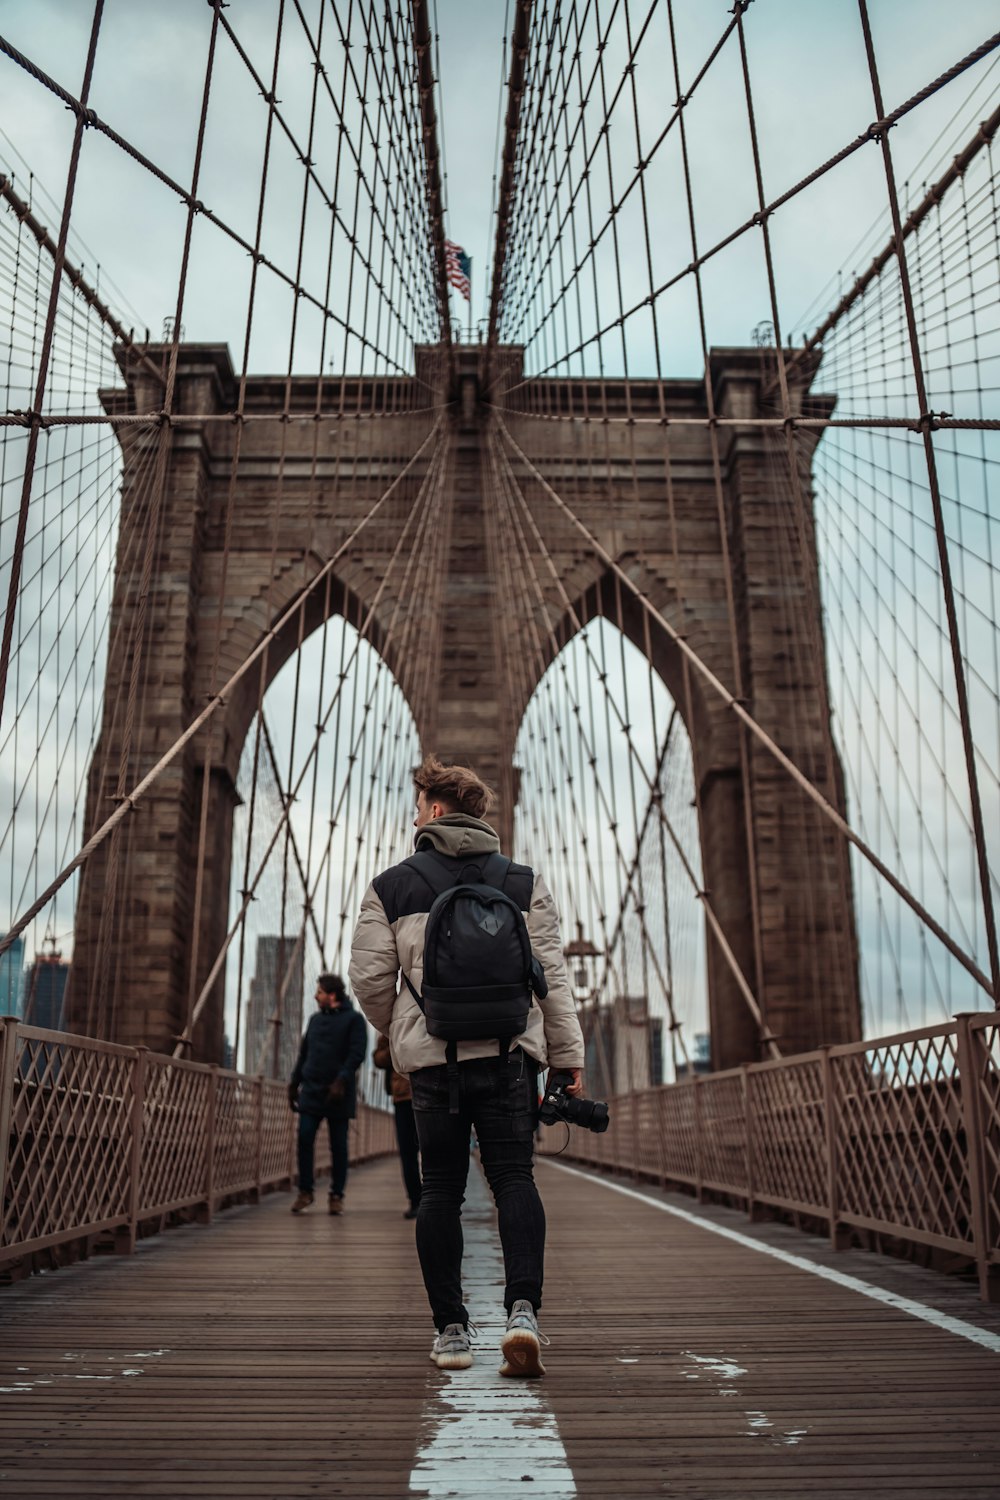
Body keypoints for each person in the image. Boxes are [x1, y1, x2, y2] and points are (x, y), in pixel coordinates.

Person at [349, 755, 584, 1377]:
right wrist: (567, 1060)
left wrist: (405, 1033)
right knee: (514, 1179)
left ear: (431, 809)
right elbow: (552, 980)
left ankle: (452, 1332)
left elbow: (370, 980)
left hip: (432, 1064)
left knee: (440, 1190)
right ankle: (524, 1313)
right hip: (510, 1058)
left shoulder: (391, 885)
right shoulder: (523, 882)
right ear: (479, 814)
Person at [288, 973, 368, 1215]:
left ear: (331, 995)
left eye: (319, 992)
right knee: (304, 1137)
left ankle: (336, 1195)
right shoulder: (313, 1020)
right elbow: (304, 1054)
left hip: (338, 1093)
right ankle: (305, 1191)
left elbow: (357, 1054)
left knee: (338, 1146)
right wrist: (294, 1083)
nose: (315, 996)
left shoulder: (354, 1020)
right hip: (311, 1090)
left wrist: (341, 1080)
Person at [373, 1033, 422, 1219]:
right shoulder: (391, 1025)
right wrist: (397, 1047)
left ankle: (435, 1200)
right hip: (403, 1096)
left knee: (433, 1150)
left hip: (431, 1090)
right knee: (408, 1152)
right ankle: (416, 1200)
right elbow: (378, 1058)